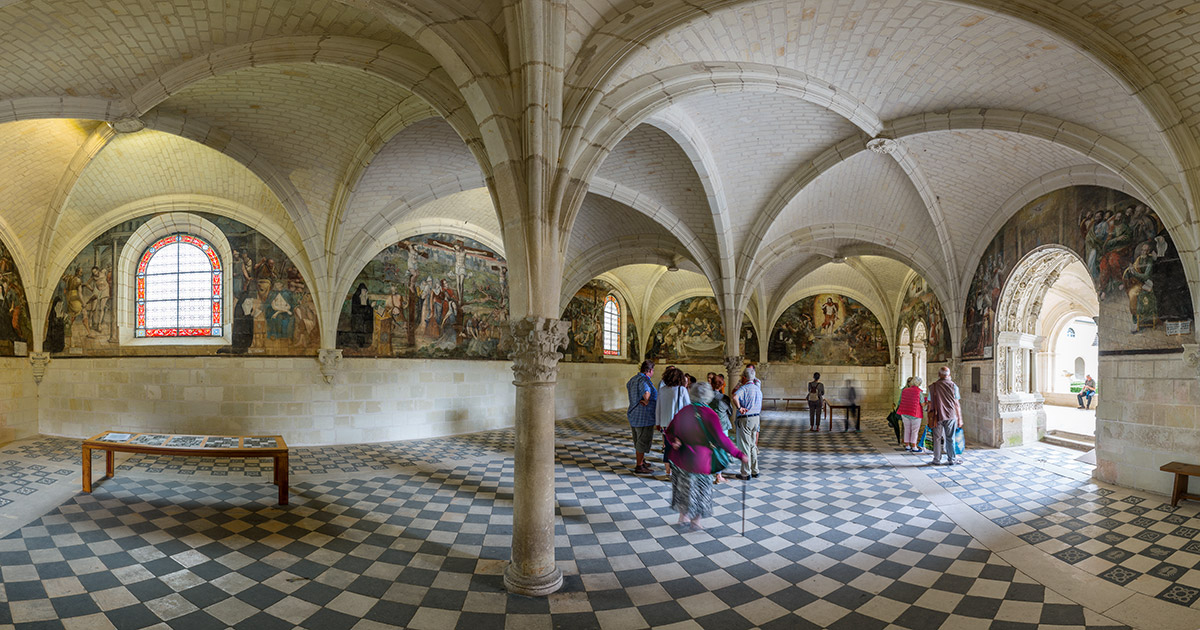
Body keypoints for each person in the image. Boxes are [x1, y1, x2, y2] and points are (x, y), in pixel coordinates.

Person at [665, 381, 747, 531]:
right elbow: (721, 439)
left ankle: (683, 517)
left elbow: (669, 430)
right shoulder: (710, 414)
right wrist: (739, 454)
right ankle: (695, 522)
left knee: (684, 489)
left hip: (681, 459)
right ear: (708, 396)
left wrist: (674, 440)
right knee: (702, 490)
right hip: (701, 461)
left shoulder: (685, 411)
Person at [656, 367, 691, 477]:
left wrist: (658, 422)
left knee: (668, 447)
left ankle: (668, 471)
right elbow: (688, 407)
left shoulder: (662, 390)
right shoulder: (682, 390)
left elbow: (658, 407)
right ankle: (677, 470)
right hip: (679, 425)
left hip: (666, 424)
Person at [626, 361, 657, 474]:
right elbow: (646, 393)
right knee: (643, 441)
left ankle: (642, 461)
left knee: (637, 439)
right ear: (649, 370)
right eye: (653, 370)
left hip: (634, 413)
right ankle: (639, 466)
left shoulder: (633, 379)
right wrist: (646, 400)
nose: (653, 372)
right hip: (644, 415)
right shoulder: (644, 380)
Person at [928, 367, 964, 466]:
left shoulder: (933, 386)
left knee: (937, 438)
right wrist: (959, 418)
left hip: (937, 416)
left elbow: (930, 403)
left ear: (939, 375)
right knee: (950, 438)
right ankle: (951, 459)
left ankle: (936, 459)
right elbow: (957, 404)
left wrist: (929, 417)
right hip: (951, 416)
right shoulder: (954, 386)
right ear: (949, 375)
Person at [733, 367, 762, 479]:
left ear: (744, 378)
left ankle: (746, 473)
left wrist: (739, 407)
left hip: (745, 419)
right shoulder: (757, 389)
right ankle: (755, 470)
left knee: (745, 446)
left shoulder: (744, 388)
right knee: (752, 445)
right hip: (756, 419)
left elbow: (735, 396)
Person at [707, 373, 734, 483]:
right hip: (722, 426)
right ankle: (719, 476)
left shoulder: (707, 396)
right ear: (722, 385)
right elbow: (730, 412)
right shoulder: (724, 398)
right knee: (720, 450)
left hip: (709, 426)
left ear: (712, 384)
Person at [897, 376, 926, 453]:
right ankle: (914, 446)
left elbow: (901, 401)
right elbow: (922, 404)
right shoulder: (919, 392)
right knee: (914, 430)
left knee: (907, 429)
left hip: (905, 413)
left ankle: (907, 445)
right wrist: (926, 401)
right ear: (919, 384)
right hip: (915, 413)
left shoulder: (905, 390)